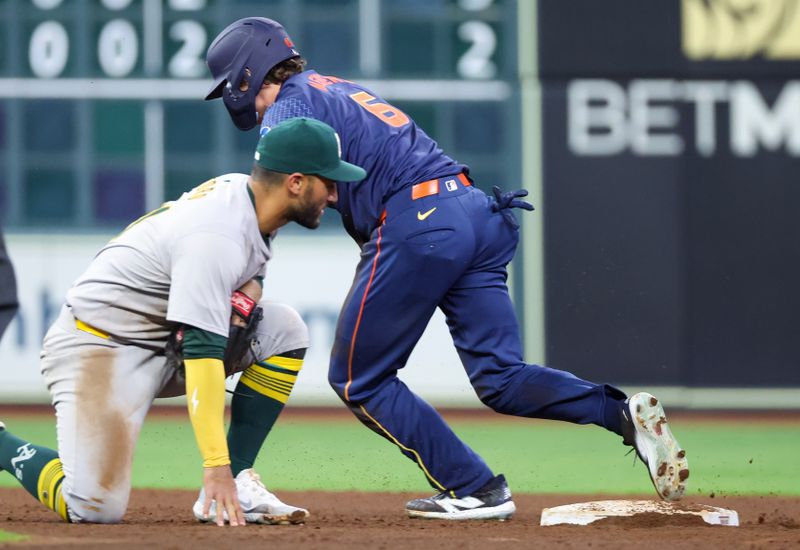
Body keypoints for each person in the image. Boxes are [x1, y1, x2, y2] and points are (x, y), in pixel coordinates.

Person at [203, 17, 690, 520]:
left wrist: (243, 287)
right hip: (473, 211)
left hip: (419, 222)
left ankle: (474, 487)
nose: (238, 101)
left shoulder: (290, 103)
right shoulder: (335, 87)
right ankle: (619, 413)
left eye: (233, 89)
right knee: (501, 378)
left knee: (358, 379)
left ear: (246, 76)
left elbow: (284, 190)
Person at [0, 117, 367, 526]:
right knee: (93, 507)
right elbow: (203, 354)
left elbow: (251, 266)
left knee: (285, 329)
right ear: (295, 183)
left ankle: (241, 481)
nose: (335, 194)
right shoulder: (216, 235)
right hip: (98, 347)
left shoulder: (254, 199)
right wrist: (214, 466)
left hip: (159, 340)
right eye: (327, 181)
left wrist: (247, 296)